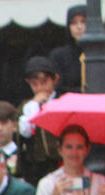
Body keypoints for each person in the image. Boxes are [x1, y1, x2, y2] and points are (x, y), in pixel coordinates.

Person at [17, 57, 62, 185]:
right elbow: (25, 132)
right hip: (35, 167)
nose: (40, 88)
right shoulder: (27, 106)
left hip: (58, 162)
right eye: (34, 84)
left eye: (44, 82)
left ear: (55, 79)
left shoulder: (62, 102)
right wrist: (34, 104)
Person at [51, 5, 88, 95]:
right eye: (74, 23)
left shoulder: (103, 53)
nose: (79, 27)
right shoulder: (59, 55)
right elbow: (58, 87)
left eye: (83, 22)